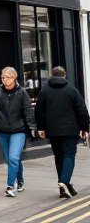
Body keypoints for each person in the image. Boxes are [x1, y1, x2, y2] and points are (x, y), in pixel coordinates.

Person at [35, 66, 90, 198]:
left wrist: (41, 128)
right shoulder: (72, 90)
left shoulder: (44, 91)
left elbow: (39, 111)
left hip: (52, 130)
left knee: (59, 157)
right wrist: (85, 128)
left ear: (52, 75)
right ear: (64, 75)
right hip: (70, 130)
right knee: (69, 155)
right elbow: (82, 110)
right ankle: (64, 181)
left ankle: (64, 189)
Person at [0, 66, 36, 197]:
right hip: (2, 131)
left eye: (7, 77)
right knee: (11, 160)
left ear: (14, 78)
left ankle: (10, 185)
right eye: (2, 77)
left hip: (18, 131)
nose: (4, 80)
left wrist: (32, 128)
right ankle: (20, 180)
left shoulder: (22, 92)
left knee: (14, 157)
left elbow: (28, 111)